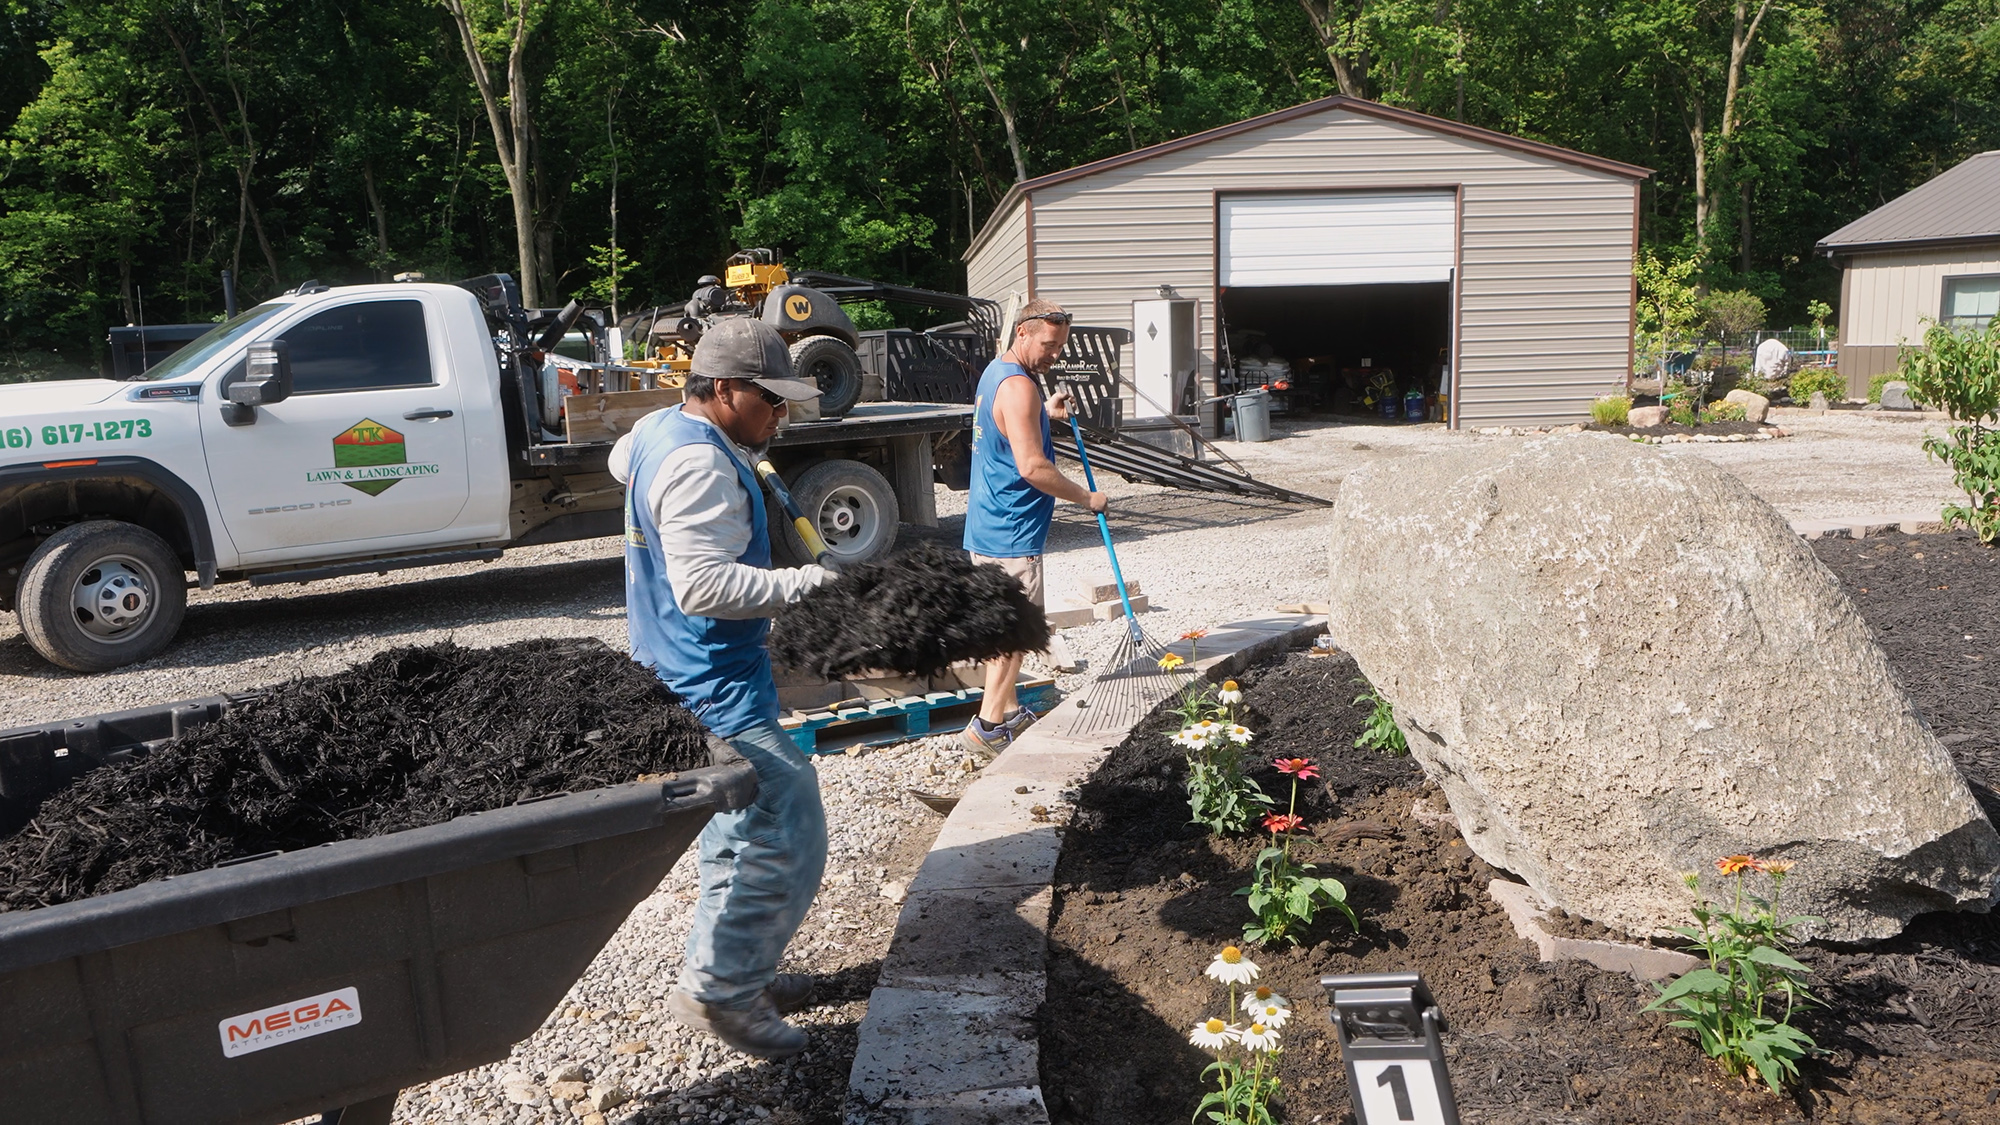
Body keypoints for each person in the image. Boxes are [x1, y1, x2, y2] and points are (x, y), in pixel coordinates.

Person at [609, 317, 834, 1059]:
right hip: (709, 681)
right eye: (772, 400)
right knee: (790, 819)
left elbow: (620, 462)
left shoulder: (656, 431)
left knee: (737, 834)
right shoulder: (700, 466)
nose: (782, 415)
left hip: (682, 666)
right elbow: (703, 584)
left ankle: (736, 965)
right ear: (727, 389)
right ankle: (724, 995)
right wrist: (814, 584)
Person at [960, 298, 1108, 759]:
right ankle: (987, 727)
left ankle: (1004, 714)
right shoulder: (1020, 389)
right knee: (1015, 634)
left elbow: (1009, 423)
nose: (1055, 354)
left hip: (986, 525)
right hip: (1012, 531)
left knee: (1003, 630)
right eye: (1049, 344)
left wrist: (1046, 412)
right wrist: (1087, 498)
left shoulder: (997, 374)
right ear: (1023, 332)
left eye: (1061, 346)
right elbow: (1032, 467)